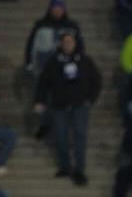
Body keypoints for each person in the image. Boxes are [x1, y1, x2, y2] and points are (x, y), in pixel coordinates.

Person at [34, 32, 102, 185]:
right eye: (65, 42)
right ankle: (64, 166)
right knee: (61, 136)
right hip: (59, 105)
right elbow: (43, 82)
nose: (67, 45)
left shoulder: (84, 60)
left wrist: (90, 98)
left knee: (79, 136)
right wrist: (39, 100)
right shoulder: (54, 61)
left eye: (70, 42)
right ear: (61, 44)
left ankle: (79, 170)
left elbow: (96, 80)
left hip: (80, 105)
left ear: (75, 43)